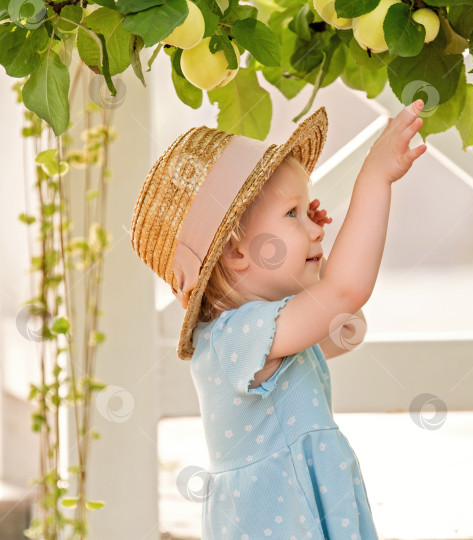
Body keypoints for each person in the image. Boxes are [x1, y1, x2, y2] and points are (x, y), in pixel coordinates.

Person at [130, 100, 427, 539]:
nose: (315, 227)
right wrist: (374, 178)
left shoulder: (271, 332)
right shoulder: (234, 340)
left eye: (309, 213)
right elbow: (346, 293)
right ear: (235, 251)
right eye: (293, 213)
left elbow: (348, 326)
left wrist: (314, 265)